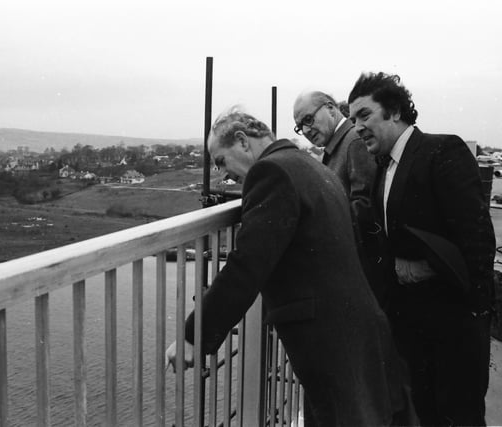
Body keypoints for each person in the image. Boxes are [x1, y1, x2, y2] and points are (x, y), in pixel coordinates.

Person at [166, 107, 416, 426]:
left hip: (330, 343)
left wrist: (193, 337)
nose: (223, 175)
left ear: (242, 141)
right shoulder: (310, 165)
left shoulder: (271, 173)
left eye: (221, 161)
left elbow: (247, 266)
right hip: (357, 332)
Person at [348, 72, 496, 426]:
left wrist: (473, 315)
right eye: (353, 120)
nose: (357, 128)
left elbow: (477, 239)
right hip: (411, 328)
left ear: (395, 110)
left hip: (454, 326)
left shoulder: (442, 150)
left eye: (364, 115)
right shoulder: (382, 168)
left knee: (459, 415)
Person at [293, 91, 385, 305]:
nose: (306, 130)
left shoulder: (353, 142)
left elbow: (364, 209)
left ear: (331, 108)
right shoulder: (339, 145)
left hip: (361, 274)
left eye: (309, 119)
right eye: (300, 126)